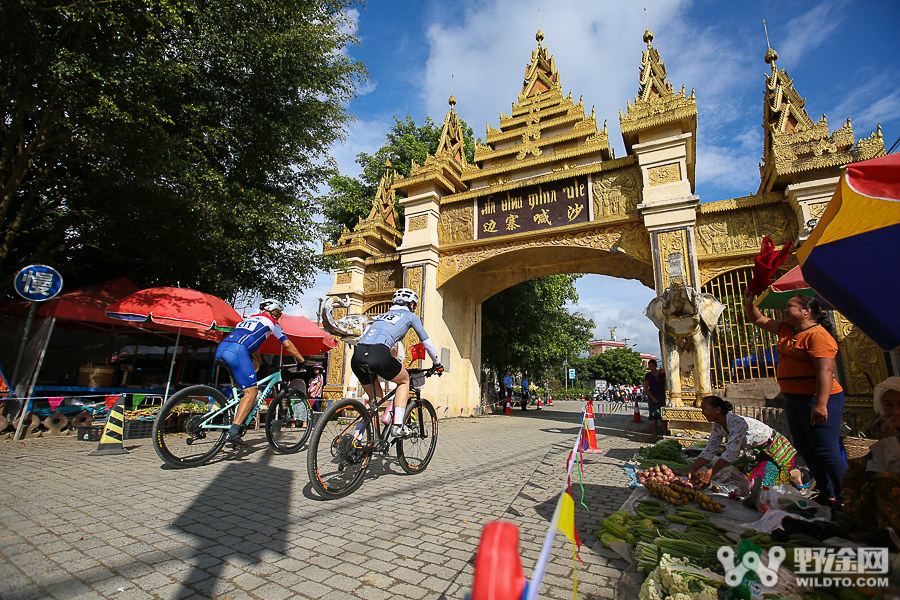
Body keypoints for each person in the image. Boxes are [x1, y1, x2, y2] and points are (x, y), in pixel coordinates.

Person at [743, 289, 846, 505]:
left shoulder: (818, 336)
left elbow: (825, 371)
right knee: (806, 447)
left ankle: (848, 497)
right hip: (795, 399)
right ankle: (827, 494)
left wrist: (820, 403)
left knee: (826, 450)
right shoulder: (787, 329)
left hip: (816, 399)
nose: (785, 309)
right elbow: (758, 319)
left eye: (790, 306)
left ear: (807, 311)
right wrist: (749, 302)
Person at [350, 288, 441, 438]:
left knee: (375, 400)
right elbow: (427, 342)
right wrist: (437, 363)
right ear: (412, 305)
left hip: (358, 355)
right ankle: (398, 426)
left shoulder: (381, 316)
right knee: (404, 380)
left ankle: (355, 439)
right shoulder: (410, 316)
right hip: (378, 353)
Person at [215, 299, 305, 446]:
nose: (279, 316)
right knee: (251, 393)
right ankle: (233, 432)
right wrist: (301, 360)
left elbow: (253, 343)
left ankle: (236, 419)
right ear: (274, 311)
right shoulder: (270, 322)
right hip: (237, 351)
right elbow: (287, 344)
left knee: (244, 392)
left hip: (222, 348)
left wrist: (258, 361)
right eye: (279, 313)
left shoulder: (248, 320)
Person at [688, 396, 798, 490]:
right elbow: (710, 450)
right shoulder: (718, 426)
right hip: (754, 454)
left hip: (775, 452)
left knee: (755, 487)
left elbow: (732, 452)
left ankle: (795, 474)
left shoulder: (737, 423)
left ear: (717, 410)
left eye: (705, 409)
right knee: (727, 475)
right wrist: (693, 468)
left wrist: (709, 473)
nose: (702, 412)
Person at [643, 359, 666, 440]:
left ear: (656, 366)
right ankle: (655, 431)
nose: (651, 368)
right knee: (654, 415)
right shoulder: (648, 375)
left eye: (653, 366)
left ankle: (665, 431)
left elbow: (666, 382)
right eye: (650, 366)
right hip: (652, 395)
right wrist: (652, 397)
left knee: (663, 414)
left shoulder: (661, 373)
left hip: (662, 395)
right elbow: (646, 386)